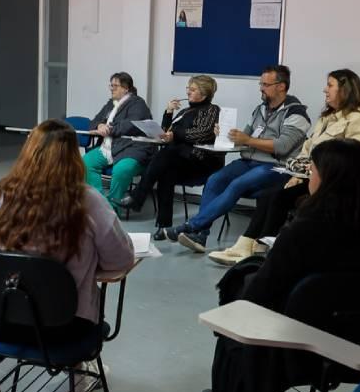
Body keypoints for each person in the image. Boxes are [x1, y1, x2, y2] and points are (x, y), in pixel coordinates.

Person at [205, 138, 360, 392]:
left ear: (327, 177)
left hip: (294, 345)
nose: (308, 175)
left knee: (235, 320)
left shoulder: (306, 228)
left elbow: (259, 297)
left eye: (312, 169)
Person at [0, 120, 135, 362]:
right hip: (63, 328)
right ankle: (79, 375)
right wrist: (84, 267)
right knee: (79, 302)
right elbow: (121, 259)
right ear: (74, 157)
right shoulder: (89, 202)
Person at [209, 69, 360, 264]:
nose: (325, 90)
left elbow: (355, 160)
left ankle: (259, 251)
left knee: (275, 196)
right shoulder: (327, 118)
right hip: (312, 179)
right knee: (269, 195)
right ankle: (249, 246)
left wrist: (314, 169)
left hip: (338, 187)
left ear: (345, 89)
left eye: (330, 85)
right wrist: (297, 174)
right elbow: (306, 150)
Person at [169, 65, 311, 252]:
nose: (261, 88)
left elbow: (282, 147)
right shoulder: (260, 109)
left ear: (281, 86)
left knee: (237, 184)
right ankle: (200, 237)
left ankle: (192, 226)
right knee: (215, 179)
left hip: (275, 166)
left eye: (265, 84)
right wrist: (227, 136)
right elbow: (244, 139)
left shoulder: (297, 114)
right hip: (249, 161)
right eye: (261, 83)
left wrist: (248, 140)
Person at [118, 75, 224, 240]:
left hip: (200, 161)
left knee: (166, 154)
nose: (188, 91)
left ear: (204, 94)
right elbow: (164, 131)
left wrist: (174, 136)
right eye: (188, 88)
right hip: (179, 159)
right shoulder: (184, 111)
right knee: (166, 173)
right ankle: (163, 226)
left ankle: (139, 195)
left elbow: (202, 133)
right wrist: (168, 112)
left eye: (193, 89)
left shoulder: (212, 110)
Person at [82, 72, 157, 210]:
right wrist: (99, 126)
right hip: (109, 147)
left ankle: (112, 208)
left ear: (126, 88)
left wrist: (109, 129)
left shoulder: (138, 103)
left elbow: (131, 124)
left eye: (115, 86)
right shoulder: (110, 104)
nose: (112, 88)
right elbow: (94, 121)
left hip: (133, 148)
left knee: (122, 169)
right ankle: (100, 204)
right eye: (111, 85)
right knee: (85, 163)